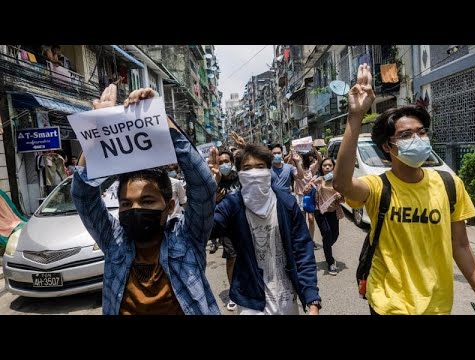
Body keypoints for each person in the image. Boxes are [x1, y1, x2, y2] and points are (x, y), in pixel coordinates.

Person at [333, 63, 475, 315]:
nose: (417, 139)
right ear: (388, 147)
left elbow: (462, 247)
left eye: (422, 132)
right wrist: (355, 116)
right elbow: (342, 184)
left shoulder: (449, 184)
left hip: (437, 304)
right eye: (406, 135)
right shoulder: (378, 186)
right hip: (389, 302)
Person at [71, 84, 220, 315]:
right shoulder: (113, 242)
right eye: (126, 204)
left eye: (148, 201)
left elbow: (203, 186)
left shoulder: (188, 238)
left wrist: (160, 119)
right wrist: (99, 128)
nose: (135, 209)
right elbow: (83, 195)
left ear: (169, 206)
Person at [209, 143, 321, 315]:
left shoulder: (287, 203)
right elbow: (205, 229)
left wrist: (312, 299)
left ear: (269, 170)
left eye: (260, 167)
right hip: (250, 301)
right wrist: (209, 188)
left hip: (286, 299)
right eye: (247, 168)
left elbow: (303, 251)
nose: (254, 173)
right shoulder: (232, 205)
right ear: (239, 173)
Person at [208, 148, 241, 311]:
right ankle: (233, 293)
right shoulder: (214, 182)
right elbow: (205, 205)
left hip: (244, 224)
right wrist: (215, 199)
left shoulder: (240, 177)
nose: (224, 165)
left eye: (226, 162)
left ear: (232, 163)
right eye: (220, 163)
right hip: (226, 228)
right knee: (231, 258)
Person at [312, 158, 344, 275]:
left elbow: (343, 199)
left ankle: (327, 248)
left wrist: (340, 196)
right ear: (321, 168)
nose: (327, 167)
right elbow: (308, 188)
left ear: (333, 167)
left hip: (333, 211)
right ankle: (330, 263)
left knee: (335, 235)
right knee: (327, 233)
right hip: (320, 212)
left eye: (330, 165)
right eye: (325, 165)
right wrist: (310, 186)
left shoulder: (338, 182)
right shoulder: (318, 180)